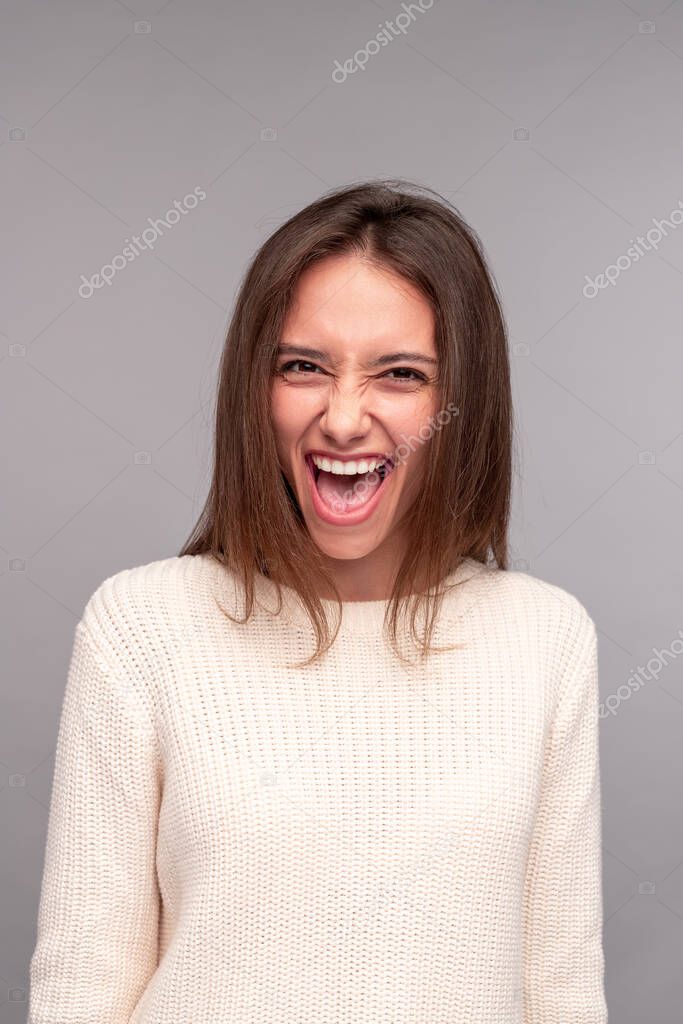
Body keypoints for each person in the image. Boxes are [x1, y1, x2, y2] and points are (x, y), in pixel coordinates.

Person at [28, 179, 608, 1023]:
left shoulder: (544, 639)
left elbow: (560, 992)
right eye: (303, 367)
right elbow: (81, 989)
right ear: (254, 391)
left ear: (459, 405)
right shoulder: (141, 627)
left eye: (399, 375)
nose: (342, 419)